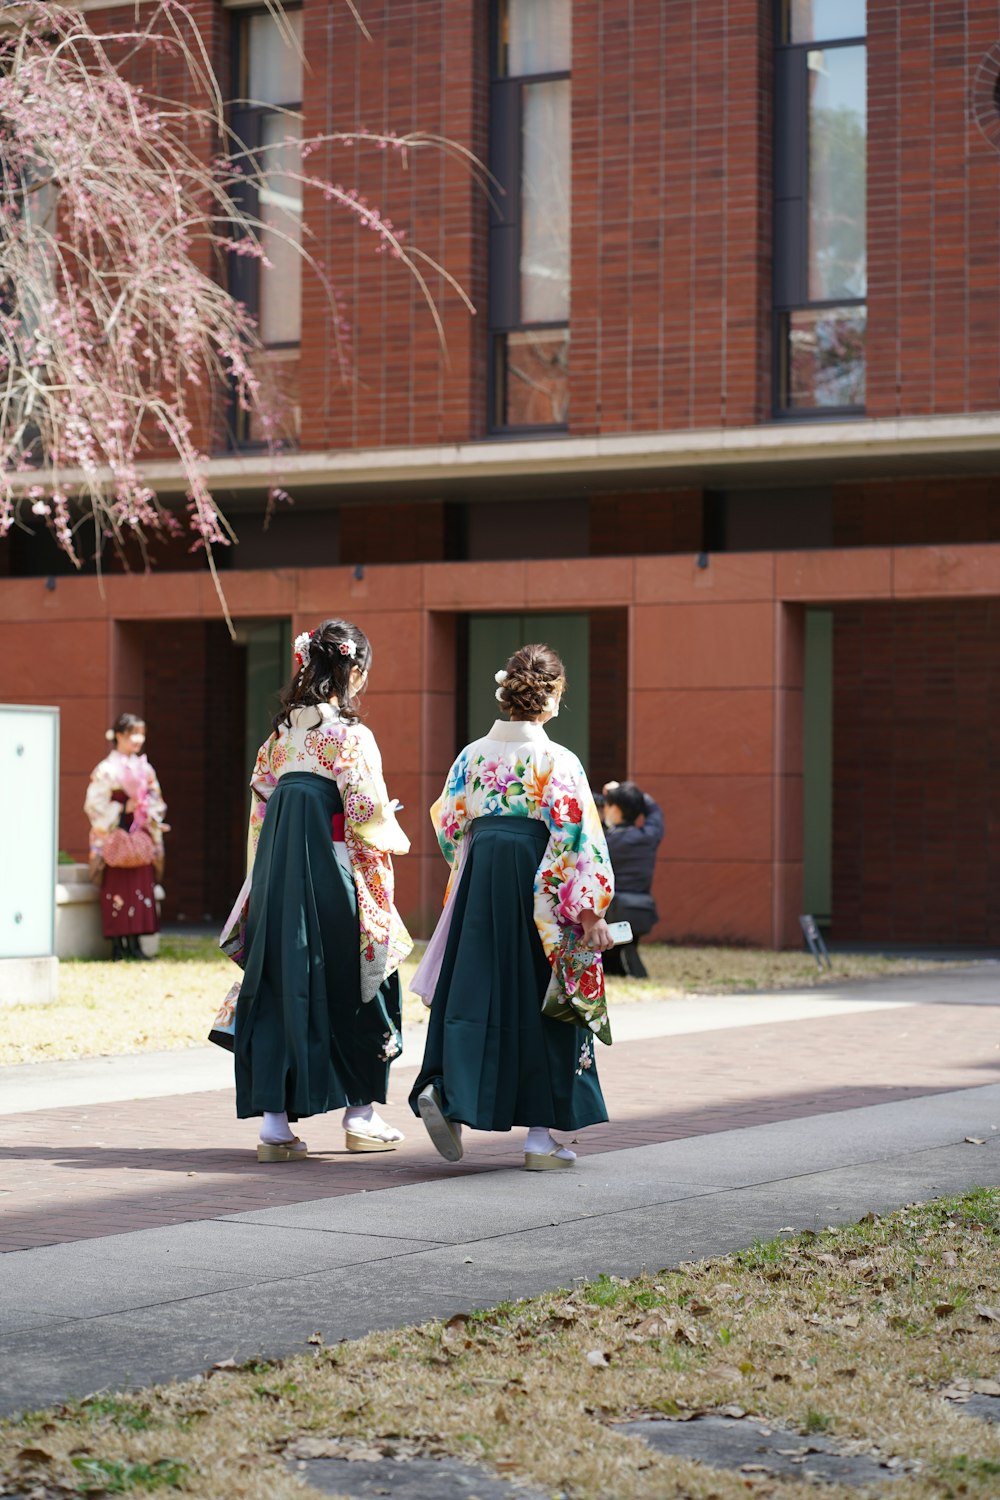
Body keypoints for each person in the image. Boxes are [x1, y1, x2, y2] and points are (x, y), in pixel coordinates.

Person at [210, 619, 412, 1163]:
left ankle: (275, 1126)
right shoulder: (350, 736)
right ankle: (361, 1115)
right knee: (364, 976)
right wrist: (395, 837)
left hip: (279, 877)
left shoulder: (277, 738)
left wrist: (267, 878)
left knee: (278, 983)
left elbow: (260, 814)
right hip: (332, 873)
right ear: (353, 671)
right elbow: (367, 816)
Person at [409, 643, 615, 1171]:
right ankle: (539, 1139)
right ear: (553, 697)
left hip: (481, 877)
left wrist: (476, 867)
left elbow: (449, 822)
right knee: (540, 997)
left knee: (472, 988)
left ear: (505, 695)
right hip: (536, 878)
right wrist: (587, 911)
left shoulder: (472, 755)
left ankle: (449, 1093)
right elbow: (576, 836)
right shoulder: (556, 760)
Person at [84, 713, 167, 961]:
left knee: (140, 885)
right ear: (119, 736)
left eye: (141, 734)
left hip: (139, 833)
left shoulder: (146, 768)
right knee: (117, 887)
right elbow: (94, 804)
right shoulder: (106, 769)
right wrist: (122, 808)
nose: (138, 739)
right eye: (132, 734)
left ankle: (136, 944)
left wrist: (145, 808)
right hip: (116, 837)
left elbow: (156, 800)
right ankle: (118, 947)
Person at [600, 781, 664, 979]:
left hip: (612, 911)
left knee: (610, 954)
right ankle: (626, 954)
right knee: (623, 948)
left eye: (608, 805)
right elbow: (655, 811)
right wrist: (631, 795)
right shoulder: (648, 836)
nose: (605, 810)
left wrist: (616, 793)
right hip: (641, 910)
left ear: (616, 809)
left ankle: (618, 960)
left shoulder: (606, 840)